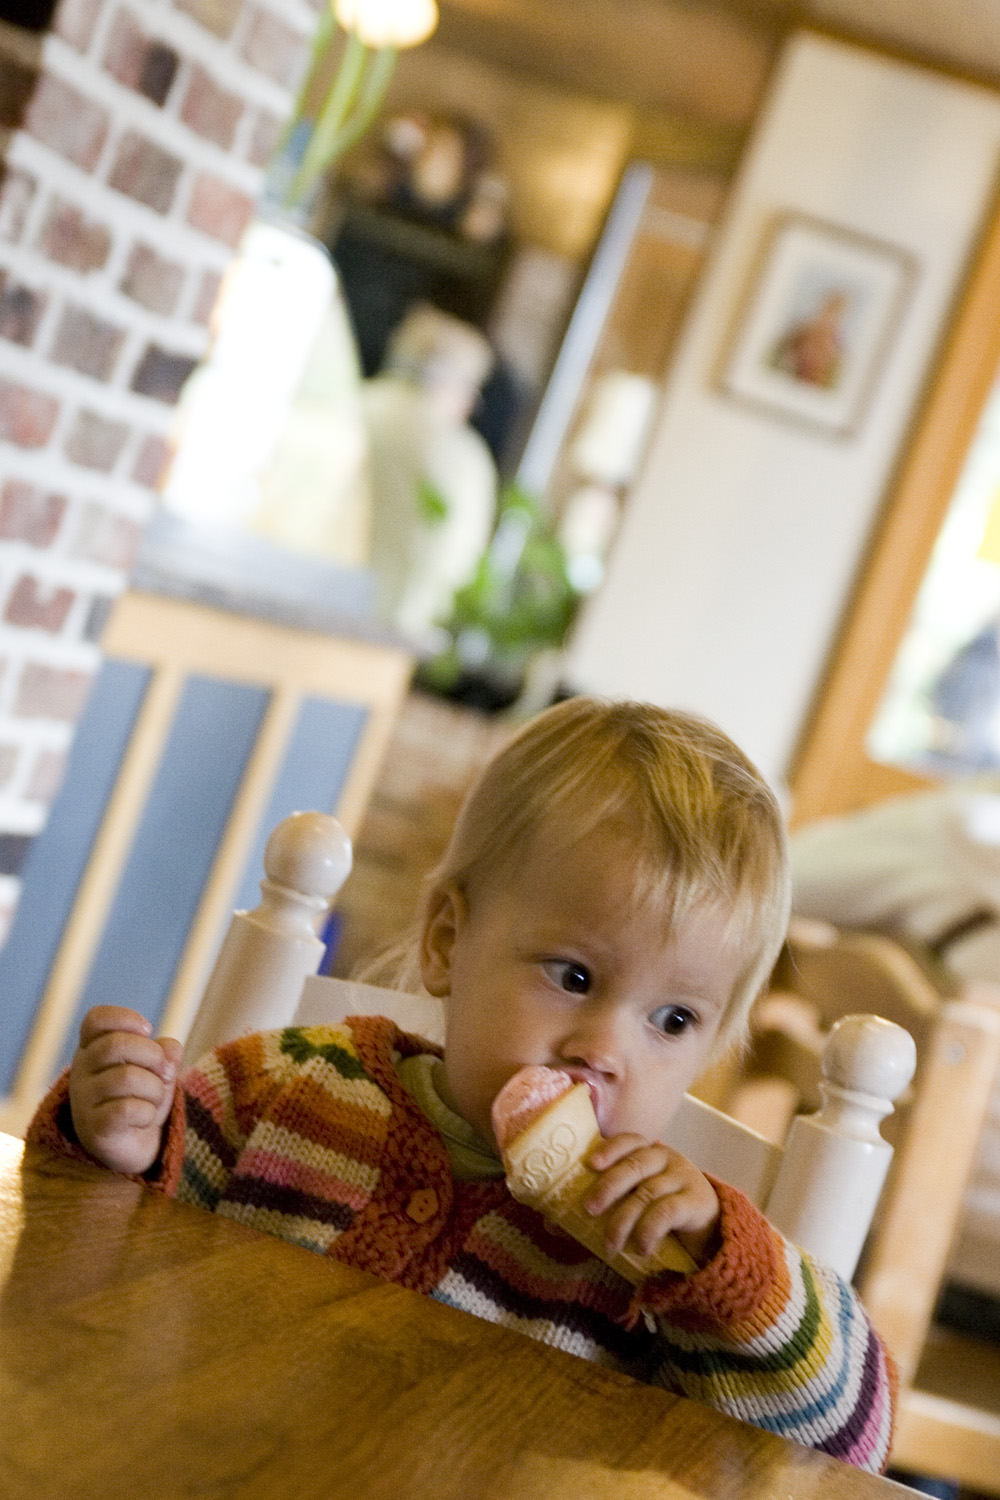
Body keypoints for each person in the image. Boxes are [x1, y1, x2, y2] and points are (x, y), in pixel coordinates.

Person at [28, 699, 895, 1474]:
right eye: (575, 978)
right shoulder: (284, 1086)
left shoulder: (653, 1258)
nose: (604, 1050)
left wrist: (722, 1263)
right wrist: (114, 1145)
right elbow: (103, 1276)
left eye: (672, 1021)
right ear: (448, 941)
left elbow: (850, 1445)